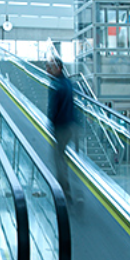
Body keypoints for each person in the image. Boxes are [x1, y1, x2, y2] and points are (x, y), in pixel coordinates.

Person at [47, 56, 76, 200]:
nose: (48, 70)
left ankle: (64, 191)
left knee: (59, 158)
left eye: (50, 67)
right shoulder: (67, 83)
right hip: (70, 125)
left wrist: (51, 123)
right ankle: (65, 188)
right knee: (61, 156)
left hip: (61, 127)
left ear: (58, 68)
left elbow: (53, 108)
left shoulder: (57, 86)